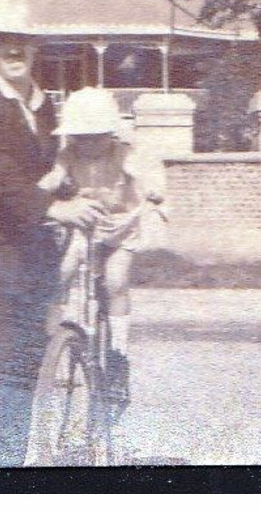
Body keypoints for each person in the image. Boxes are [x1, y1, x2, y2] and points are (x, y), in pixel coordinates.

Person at [0, 0, 106, 467]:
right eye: (4, 41)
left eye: (23, 42)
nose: (14, 50)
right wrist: (55, 210)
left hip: (33, 255)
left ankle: (6, 464)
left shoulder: (43, 105)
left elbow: (49, 168)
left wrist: (75, 193)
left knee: (26, 365)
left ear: (35, 48)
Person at [38, 87, 147, 405]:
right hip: (86, 221)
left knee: (115, 282)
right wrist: (36, 192)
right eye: (80, 137)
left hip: (120, 226)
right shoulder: (67, 154)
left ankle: (118, 354)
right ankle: (52, 330)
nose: (87, 145)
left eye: (95, 137)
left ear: (111, 134)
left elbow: (142, 174)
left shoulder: (123, 153)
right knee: (65, 266)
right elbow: (54, 178)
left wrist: (151, 191)